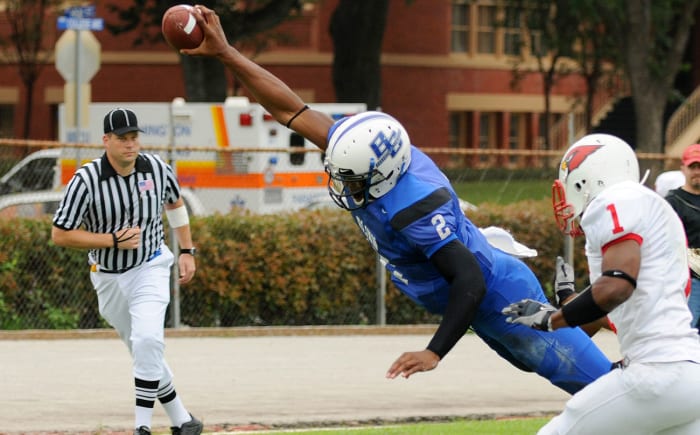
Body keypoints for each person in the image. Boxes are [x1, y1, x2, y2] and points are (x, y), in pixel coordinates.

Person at [181, 5, 613, 395]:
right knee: (536, 362)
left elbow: (470, 281)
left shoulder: (413, 207)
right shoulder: (367, 155)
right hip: (480, 291)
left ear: (381, 175)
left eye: (349, 179)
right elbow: (290, 110)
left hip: (498, 297)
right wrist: (226, 53)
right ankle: (592, 312)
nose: (340, 183)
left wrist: (434, 351)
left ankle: (614, 315)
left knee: (599, 387)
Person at [503, 133, 700, 434]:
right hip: (689, 372)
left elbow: (616, 286)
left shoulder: (614, 199)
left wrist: (551, 319)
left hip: (657, 372)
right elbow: (615, 308)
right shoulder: (645, 204)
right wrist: (567, 301)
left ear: (586, 179)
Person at [51, 108, 203, 435]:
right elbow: (60, 234)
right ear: (106, 140)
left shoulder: (157, 168)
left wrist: (187, 251)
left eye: (134, 137)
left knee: (148, 338)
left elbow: (175, 203)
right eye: (122, 138)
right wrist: (112, 240)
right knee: (142, 349)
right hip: (107, 275)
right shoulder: (86, 180)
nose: (130, 144)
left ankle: (142, 427)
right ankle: (183, 421)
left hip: (151, 265)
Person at [665, 144, 700, 329]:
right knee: (686, 330)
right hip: (688, 280)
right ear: (683, 169)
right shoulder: (673, 201)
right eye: (692, 167)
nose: (697, 172)